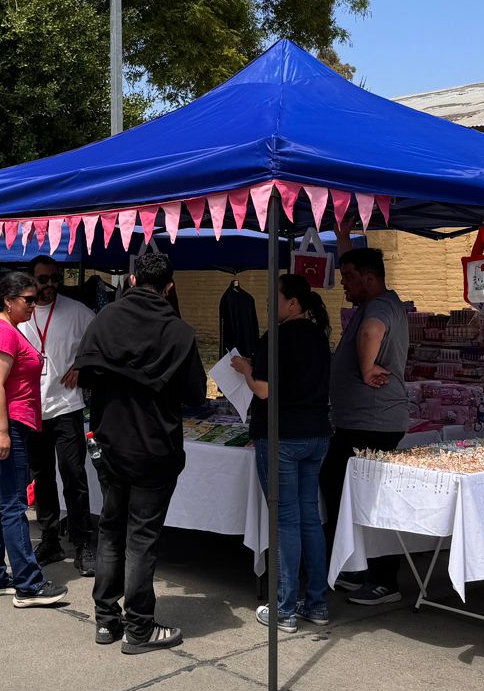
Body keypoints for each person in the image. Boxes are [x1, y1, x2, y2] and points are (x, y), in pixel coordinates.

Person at [74, 251, 205, 654]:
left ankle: (106, 620)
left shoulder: (106, 320)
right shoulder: (178, 332)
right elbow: (196, 396)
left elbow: (85, 374)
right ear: (169, 287)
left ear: (131, 280)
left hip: (112, 444)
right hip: (154, 448)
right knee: (141, 539)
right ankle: (140, 628)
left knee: (111, 530)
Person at [230, 273, 333, 633]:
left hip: (284, 438)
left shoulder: (278, 338)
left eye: (276, 299)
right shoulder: (318, 336)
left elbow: (263, 390)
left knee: (287, 521)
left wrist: (245, 369)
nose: (271, 305)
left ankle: (285, 608)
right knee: (308, 518)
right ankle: (316, 602)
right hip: (316, 434)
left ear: (294, 303)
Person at [0, 271, 68, 609]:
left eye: (35, 298)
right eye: (27, 299)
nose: (34, 304)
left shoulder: (6, 329)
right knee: (13, 506)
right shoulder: (2, 331)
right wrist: (3, 432)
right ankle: (28, 584)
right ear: (8, 301)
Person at [323, 247, 409, 606]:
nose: (343, 285)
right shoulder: (377, 303)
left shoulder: (377, 309)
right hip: (361, 422)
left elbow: (371, 332)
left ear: (369, 279)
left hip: (371, 423)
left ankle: (384, 579)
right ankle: (354, 567)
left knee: (370, 499)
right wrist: (344, 235)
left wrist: (366, 368)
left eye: (349, 279)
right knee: (341, 491)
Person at [21, 255, 98, 574]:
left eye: (55, 278)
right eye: (44, 279)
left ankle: (82, 543)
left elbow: (100, 344)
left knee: (74, 476)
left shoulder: (78, 312)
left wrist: (82, 367)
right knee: (42, 477)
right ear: (32, 280)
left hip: (67, 407)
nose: (50, 284)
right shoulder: (20, 315)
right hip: (33, 409)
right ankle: (50, 538)